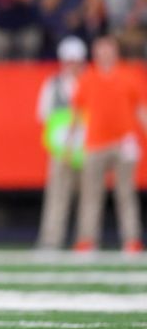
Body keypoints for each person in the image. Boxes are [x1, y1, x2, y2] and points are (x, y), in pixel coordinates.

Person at [69, 36, 147, 254]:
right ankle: (87, 239)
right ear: (95, 53)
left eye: (108, 50)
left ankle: (131, 239)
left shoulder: (129, 76)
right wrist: (70, 141)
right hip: (95, 142)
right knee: (91, 193)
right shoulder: (87, 78)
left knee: (125, 193)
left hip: (124, 142)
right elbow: (77, 112)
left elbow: (141, 110)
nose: (104, 54)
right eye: (100, 50)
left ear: (115, 52)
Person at [35, 36, 86, 250]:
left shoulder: (90, 81)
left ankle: (85, 240)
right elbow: (43, 115)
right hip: (61, 149)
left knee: (88, 198)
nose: (72, 64)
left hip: (86, 148)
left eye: (75, 60)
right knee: (57, 195)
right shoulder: (52, 84)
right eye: (68, 60)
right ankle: (51, 239)